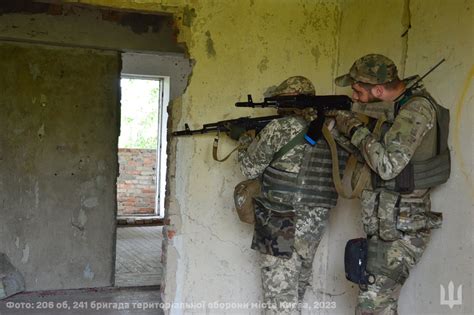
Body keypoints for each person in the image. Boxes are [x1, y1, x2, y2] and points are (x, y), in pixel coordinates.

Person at [333, 54, 449, 314]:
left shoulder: (416, 110)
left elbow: (387, 166)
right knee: (376, 306)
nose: (354, 96)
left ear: (377, 89)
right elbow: (370, 156)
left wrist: (353, 128)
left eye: (357, 90)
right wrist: (334, 127)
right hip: (387, 227)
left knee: (371, 306)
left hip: (402, 229)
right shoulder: (396, 109)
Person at [236, 76, 347, 314]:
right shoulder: (333, 129)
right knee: (293, 295)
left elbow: (249, 168)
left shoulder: (280, 128)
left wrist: (244, 140)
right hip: (315, 222)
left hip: (280, 220)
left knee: (279, 304)